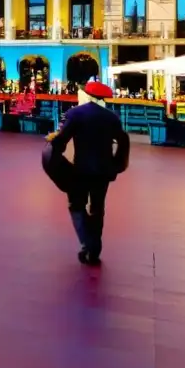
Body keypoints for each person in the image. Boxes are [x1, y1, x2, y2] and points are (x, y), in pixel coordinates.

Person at [48, 79, 130, 266]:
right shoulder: (112, 117)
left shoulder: (76, 114)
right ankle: (95, 248)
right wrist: (116, 164)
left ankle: (88, 244)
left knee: (76, 205)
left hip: (82, 169)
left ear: (86, 95)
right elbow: (122, 140)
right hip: (104, 170)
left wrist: (52, 143)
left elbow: (61, 141)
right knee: (97, 208)